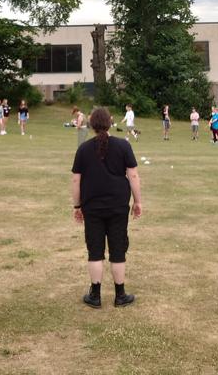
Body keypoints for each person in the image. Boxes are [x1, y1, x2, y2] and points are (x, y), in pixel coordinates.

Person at [71, 107, 143, 308]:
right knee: (118, 250)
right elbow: (133, 176)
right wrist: (138, 201)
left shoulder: (84, 149)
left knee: (95, 250)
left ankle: (95, 295)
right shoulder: (123, 146)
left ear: (92, 125)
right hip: (118, 206)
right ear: (110, 122)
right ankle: (120, 295)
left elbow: (76, 180)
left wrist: (77, 206)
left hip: (92, 206)